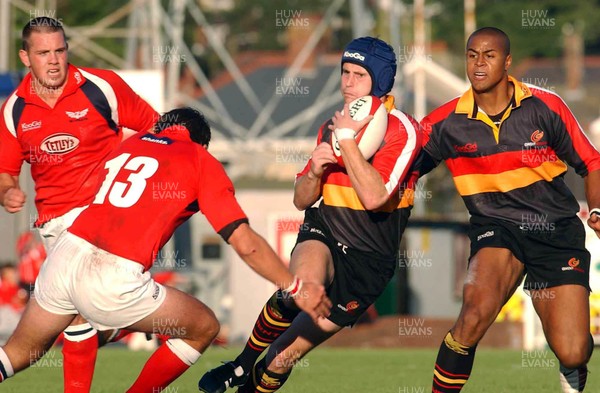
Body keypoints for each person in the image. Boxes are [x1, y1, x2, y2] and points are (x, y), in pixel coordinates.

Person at [0, 107, 332, 391]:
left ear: (161, 127)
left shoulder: (130, 145)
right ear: (202, 143)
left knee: (18, 352)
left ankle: (104, 328)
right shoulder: (200, 159)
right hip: (112, 274)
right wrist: (294, 286)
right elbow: (244, 242)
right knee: (204, 326)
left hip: (64, 254)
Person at [198, 36, 421, 393]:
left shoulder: (404, 131)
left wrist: (346, 143)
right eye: (344, 72)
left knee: (281, 358)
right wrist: (315, 172)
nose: (347, 82)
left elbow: (375, 197)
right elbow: (301, 200)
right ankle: (240, 363)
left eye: (358, 75)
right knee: (299, 289)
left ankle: (251, 384)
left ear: (378, 82)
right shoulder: (331, 125)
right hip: (325, 231)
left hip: (368, 263)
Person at [419, 27, 600, 393]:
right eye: (472, 55)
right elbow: (401, 168)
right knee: (472, 316)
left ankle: (572, 370)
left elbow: (591, 162)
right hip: (496, 229)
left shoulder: (544, 106)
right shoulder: (445, 122)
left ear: (508, 61)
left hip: (556, 232)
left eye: (489, 55)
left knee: (574, 350)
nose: (479, 63)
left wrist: (596, 211)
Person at [0, 16, 158, 392]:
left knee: (75, 321)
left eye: (60, 50)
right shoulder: (14, 110)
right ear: (26, 57)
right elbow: (6, 172)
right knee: (66, 327)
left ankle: (114, 320)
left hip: (110, 213)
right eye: (43, 53)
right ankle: (118, 320)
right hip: (56, 224)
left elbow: (159, 128)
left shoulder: (102, 87)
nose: (53, 60)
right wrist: (8, 192)